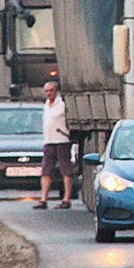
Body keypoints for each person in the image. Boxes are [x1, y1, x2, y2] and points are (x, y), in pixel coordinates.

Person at [37, 81, 73, 210]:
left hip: (61, 140)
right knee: (46, 170)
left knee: (65, 170)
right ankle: (43, 199)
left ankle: (66, 199)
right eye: (46, 91)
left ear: (56, 91)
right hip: (49, 141)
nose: (48, 93)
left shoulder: (62, 104)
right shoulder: (46, 104)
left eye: (50, 91)